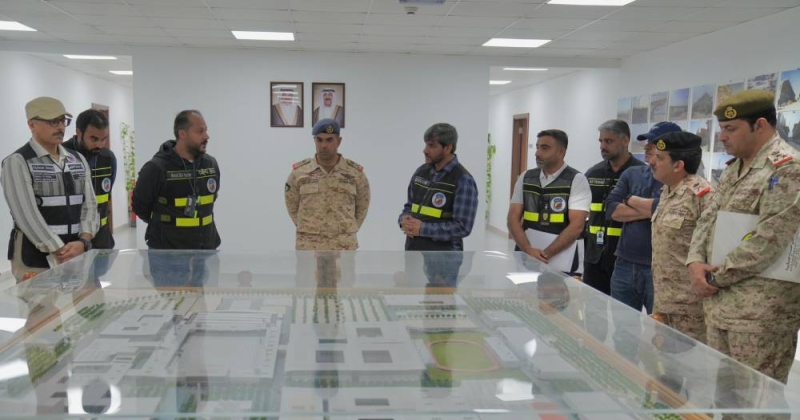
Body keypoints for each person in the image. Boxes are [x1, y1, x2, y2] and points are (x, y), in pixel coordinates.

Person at [687, 89, 800, 385]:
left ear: (759, 125)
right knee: (724, 399)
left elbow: (769, 239)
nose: (722, 137)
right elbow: (708, 218)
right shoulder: (735, 167)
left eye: (731, 129)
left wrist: (713, 277)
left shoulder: (788, 169)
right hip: (721, 308)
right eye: (722, 129)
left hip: (760, 316)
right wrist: (695, 261)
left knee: (757, 403)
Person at [1, 97, 99, 282]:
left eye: (63, 121)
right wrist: (59, 250)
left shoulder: (77, 159)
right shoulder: (17, 162)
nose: (60, 127)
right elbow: (26, 216)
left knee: (80, 300)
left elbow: (90, 205)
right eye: (53, 121)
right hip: (36, 259)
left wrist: (84, 241)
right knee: (41, 301)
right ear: (32, 124)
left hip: (77, 252)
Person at [606, 121, 681, 314]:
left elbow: (667, 210)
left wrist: (630, 199)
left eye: (654, 144)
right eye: (647, 143)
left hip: (659, 268)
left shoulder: (680, 180)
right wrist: (652, 209)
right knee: (623, 326)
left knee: (660, 327)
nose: (647, 147)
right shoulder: (632, 174)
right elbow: (612, 209)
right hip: (624, 263)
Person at [285, 119, 370, 284]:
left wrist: (345, 230)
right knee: (307, 292)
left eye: (329, 140)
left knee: (343, 294)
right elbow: (292, 205)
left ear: (339, 141)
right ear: (314, 141)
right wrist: (309, 227)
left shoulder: (355, 174)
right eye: (319, 140)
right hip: (309, 247)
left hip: (343, 247)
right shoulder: (299, 173)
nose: (324, 145)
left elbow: (362, 207)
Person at [650, 131, 711, 344]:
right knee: (664, 362)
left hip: (691, 309)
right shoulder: (666, 191)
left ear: (678, 165)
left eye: (659, 158)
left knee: (692, 362)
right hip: (664, 301)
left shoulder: (702, 195)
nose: (652, 162)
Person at [399, 123, 477, 285]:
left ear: (448, 148)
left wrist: (422, 229)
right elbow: (409, 206)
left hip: (444, 262)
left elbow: (462, 227)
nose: (425, 150)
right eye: (426, 145)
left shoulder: (463, 180)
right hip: (414, 254)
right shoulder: (421, 172)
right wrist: (403, 220)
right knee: (412, 299)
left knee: (439, 301)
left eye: (431, 146)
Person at [132, 110, 221, 250]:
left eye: (206, 130)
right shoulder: (156, 168)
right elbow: (140, 206)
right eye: (200, 131)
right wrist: (165, 227)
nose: (206, 136)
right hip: (167, 253)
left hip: (206, 250)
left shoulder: (210, 164)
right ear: (182, 134)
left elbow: (211, 199)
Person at [507, 129, 590, 274]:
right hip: (526, 256)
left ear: (561, 152)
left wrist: (544, 255)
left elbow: (577, 226)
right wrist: (528, 250)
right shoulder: (526, 177)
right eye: (537, 147)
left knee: (557, 290)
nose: (537, 153)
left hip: (561, 260)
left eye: (544, 148)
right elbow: (512, 218)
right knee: (525, 289)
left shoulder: (576, 180)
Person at [584, 120, 646, 295]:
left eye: (609, 141)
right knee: (593, 307)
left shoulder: (641, 174)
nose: (603, 146)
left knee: (623, 310)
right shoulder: (593, 174)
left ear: (625, 140)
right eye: (601, 141)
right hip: (594, 257)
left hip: (626, 258)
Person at [63, 109, 116, 250]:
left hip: (102, 236)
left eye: (103, 139)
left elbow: (106, 195)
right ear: (79, 132)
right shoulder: (61, 155)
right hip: (71, 240)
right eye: (94, 139)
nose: (100, 145)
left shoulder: (108, 158)